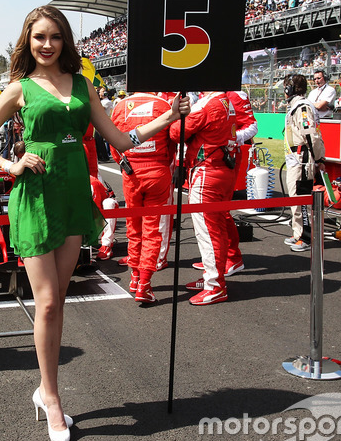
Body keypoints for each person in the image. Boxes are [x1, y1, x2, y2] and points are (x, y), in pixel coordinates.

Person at [0, 5, 189, 441]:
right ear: (27, 42)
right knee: (47, 302)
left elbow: (121, 141)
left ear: (65, 41)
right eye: (38, 38)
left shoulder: (83, 86)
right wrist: (10, 166)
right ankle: (51, 397)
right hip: (35, 195)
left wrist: (167, 118)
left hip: (73, 197)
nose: (46, 45)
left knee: (59, 299)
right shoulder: (18, 89)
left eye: (54, 37)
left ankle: (44, 388)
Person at [109, 92, 177, 303]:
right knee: (152, 230)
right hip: (158, 172)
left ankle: (134, 277)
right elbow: (173, 140)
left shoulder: (120, 106)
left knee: (134, 228)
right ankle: (144, 284)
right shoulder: (163, 104)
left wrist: (126, 165)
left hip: (131, 173)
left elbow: (114, 144)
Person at [171, 91, 238, 306]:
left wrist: (174, 116)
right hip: (222, 169)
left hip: (207, 172)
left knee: (208, 233)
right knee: (216, 229)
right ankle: (213, 277)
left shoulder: (206, 104)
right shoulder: (227, 101)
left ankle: (215, 285)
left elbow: (176, 132)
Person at [190, 91, 256, 278]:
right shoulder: (203, 94)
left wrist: (228, 139)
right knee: (209, 213)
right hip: (205, 158)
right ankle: (214, 257)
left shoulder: (235, 95)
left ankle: (233, 258)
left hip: (225, 157)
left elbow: (252, 126)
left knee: (220, 212)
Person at [283, 74, 325, 253]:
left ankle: (306, 237)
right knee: (295, 199)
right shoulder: (296, 106)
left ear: (290, 89)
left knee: (301, 200)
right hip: (295, 159)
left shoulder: (302, 107)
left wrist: (319, 158)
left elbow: (311, 136)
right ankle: (298, 232)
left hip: (303, 160)